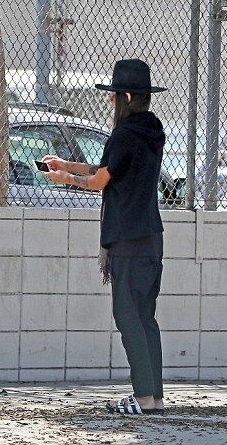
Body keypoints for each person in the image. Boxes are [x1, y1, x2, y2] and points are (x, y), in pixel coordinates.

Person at [42, 59, 167, 415]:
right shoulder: (151, 131)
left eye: (114, 96)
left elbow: (99, 182)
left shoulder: (124, 134)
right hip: (151, 236)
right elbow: (110, 169)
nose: (111, 102)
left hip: (127, 237)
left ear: (126, 96)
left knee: (127, 316)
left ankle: (143, 397)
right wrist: (67, 165)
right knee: (145, 318)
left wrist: (65, 180)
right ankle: (154, 397)